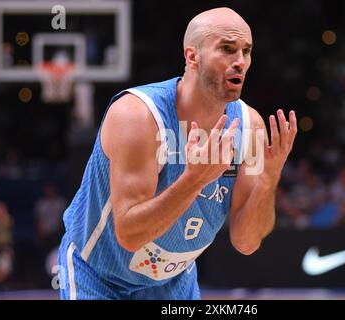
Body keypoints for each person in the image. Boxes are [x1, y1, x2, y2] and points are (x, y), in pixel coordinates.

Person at [58, 7, 297, 300]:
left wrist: (268, 179)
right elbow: (130, 236)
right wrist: (194, 180)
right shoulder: (137, 116)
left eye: (246, 51)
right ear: (192, 56)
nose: (240, 62)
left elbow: (246, 242)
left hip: (171, 281)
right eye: (227, 49)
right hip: (98, 274)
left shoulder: (251, 127)